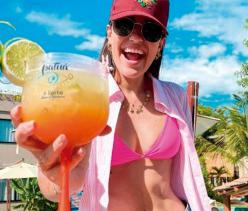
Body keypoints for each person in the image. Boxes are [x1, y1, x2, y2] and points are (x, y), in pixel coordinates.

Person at [11, 0, 211, 210]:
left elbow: (186, 175)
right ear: (109, 32)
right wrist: (54, 172)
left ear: (160, 44)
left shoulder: (176, 97)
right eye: (124, 25)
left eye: (150, 31)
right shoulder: (85, 95)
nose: (135, 38)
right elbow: (57, 190)